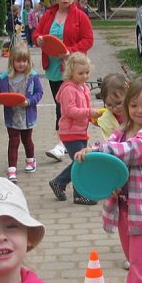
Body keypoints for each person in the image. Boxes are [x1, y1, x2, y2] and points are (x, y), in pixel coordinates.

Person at [74, 77, 142, 283]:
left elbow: (128, 151)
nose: (140, 110)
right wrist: (91, 151)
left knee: (136, 258)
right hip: (123, 205)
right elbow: (109, 144)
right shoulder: (122, 132)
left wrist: (99, 151)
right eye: (134, 105)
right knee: (133, 253)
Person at [33, 0, 94, 162]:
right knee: (60, 104)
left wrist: (70, 51)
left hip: (72, 68)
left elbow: (88, 40)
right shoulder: (49, 15)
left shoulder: (80, 16)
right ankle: (67, 141)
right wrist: (39, 40)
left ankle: (62, 144)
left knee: (66, 105)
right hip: (52, 67)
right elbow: (36, 34)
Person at [47, 52, 101, 205]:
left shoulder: (83, 88)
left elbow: (87, 108)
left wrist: (93, 119)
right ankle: (78, 194)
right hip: (70, 132)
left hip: (81, 131)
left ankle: (59, 183)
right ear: (71, 72)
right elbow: (70, 111)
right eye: (80, 73)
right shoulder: (69, 90)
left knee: (80, 161)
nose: (85, 76)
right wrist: (89, 112)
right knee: (81, 163)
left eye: (87, 72)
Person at [0, 42, 44, 183]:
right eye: (18, 61)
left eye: (24, 61)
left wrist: (29, 102)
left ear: (28, 61)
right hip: (12, 116)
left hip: (27, 116)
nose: (21, 64)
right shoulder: (5, 78)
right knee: (13, 141)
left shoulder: (33, 77)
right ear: (12, 62)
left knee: (27, 140)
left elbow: (39, 92)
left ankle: (31, 160)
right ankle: (12, 170)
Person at [95, 72, 128, 140]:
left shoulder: (135, 112)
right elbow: (109, 140)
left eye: (118, 103)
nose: (115, 109)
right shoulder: (107, 118)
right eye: (109, 105)